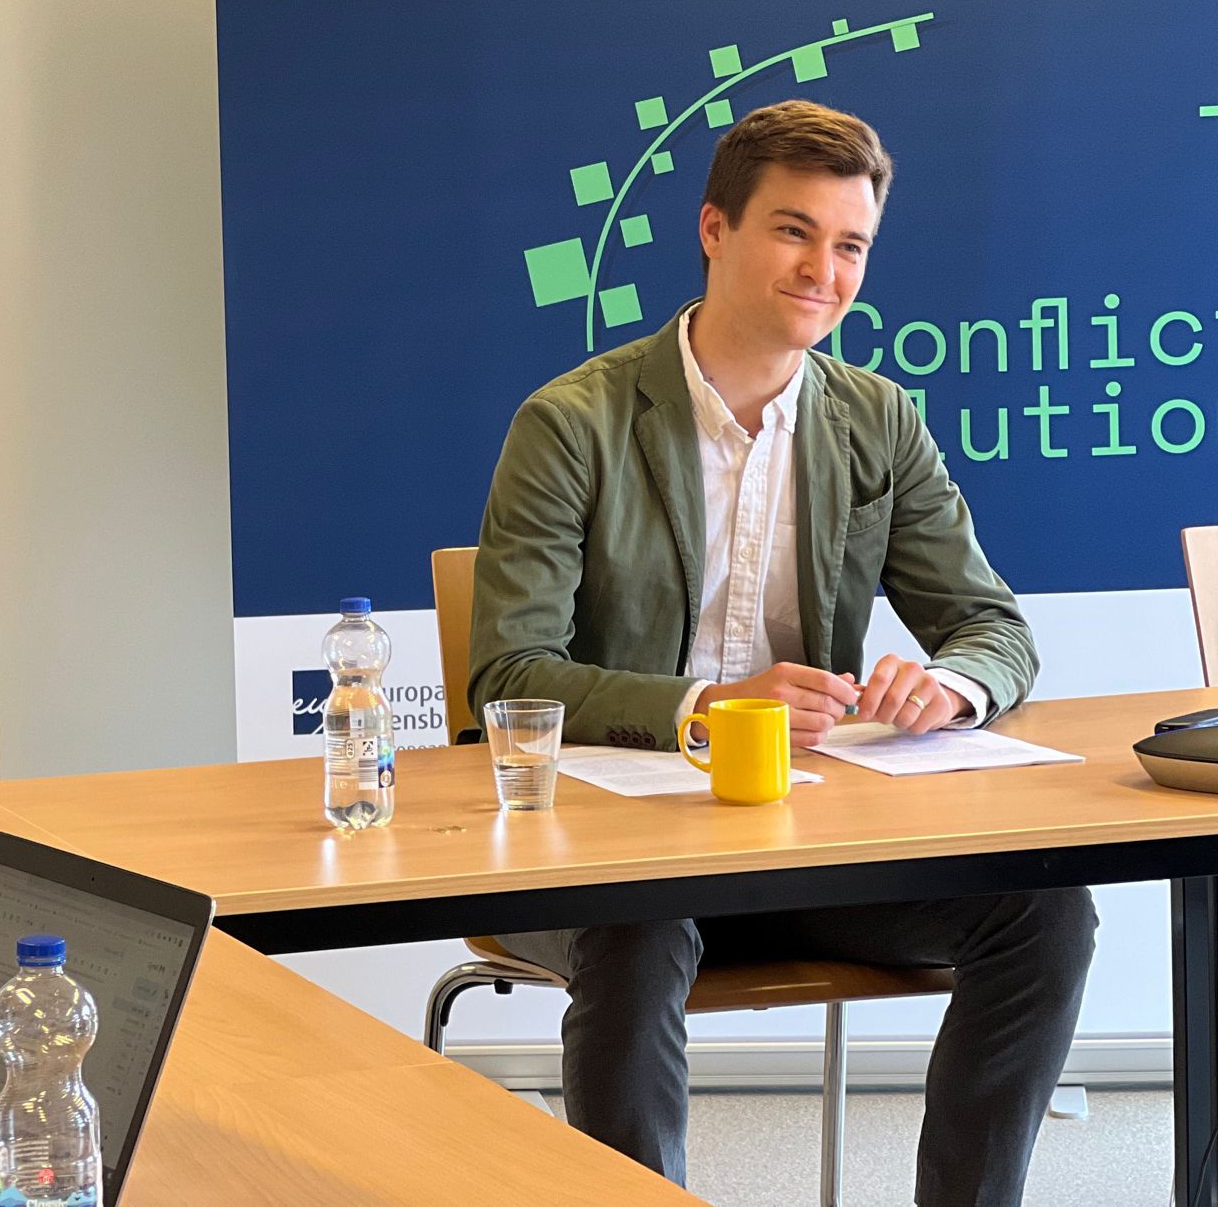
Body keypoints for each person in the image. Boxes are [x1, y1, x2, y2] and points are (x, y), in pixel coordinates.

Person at [468, 100, 1095, 1207]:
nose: (823, 270)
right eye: (793, 231)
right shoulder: (571, 423)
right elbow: (509, 677)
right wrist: (706, 705)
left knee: (1044, 911)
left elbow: (993, 629)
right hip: (603, 862)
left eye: (850, 244)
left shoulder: (877, 420)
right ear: (714, 229)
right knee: (638, 926)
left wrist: (947, 685)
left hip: (798, 853)